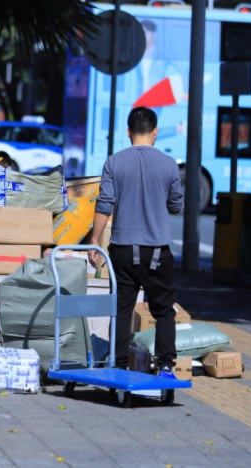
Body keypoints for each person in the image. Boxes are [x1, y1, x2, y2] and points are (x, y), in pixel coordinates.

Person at [87, 106, 183, 377]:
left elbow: (104, 205)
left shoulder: (114, 162)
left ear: (128, 132)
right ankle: (165, 367)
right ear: (154, 132)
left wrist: (95, 241)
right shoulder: (169, 164)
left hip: (122, 251)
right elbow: (176, 205)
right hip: (158, 252)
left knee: (120, 309)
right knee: (164, 311)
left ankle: (117, 367)